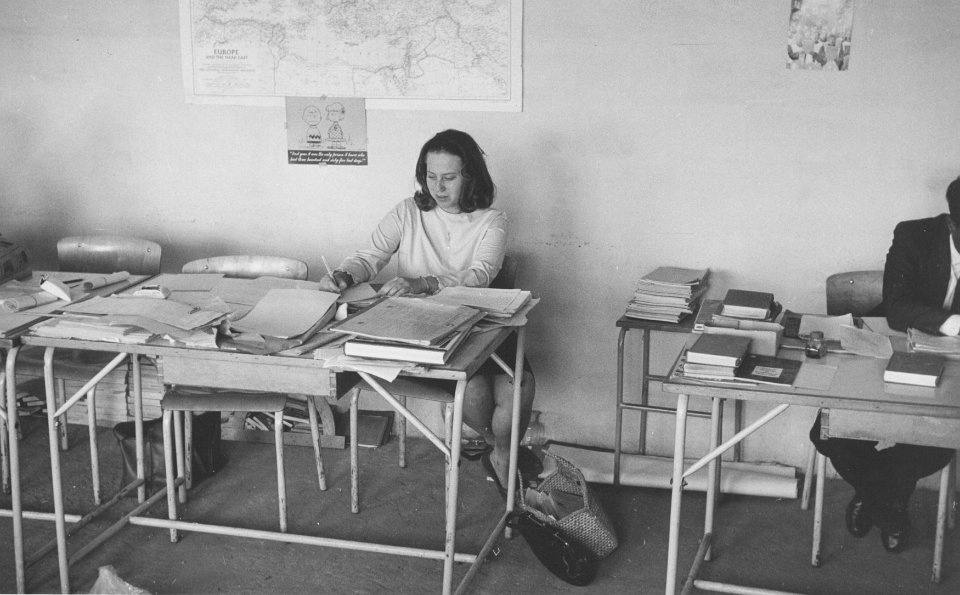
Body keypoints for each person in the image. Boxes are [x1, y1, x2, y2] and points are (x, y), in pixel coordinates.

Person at [318, 129, 538, 493]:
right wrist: (345, 274)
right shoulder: (407, 211)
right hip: (419, 327)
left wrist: (425, 282)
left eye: (449, 177)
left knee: (520, 386)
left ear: (470, 176)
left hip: (478, 320)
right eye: (431, 176)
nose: (438, 187)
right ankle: (502, 451)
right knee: (476, 392)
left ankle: (501, 452)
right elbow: (370, 257)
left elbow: (481, 275)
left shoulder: (492, 219)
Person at [809, 176, 960, 553]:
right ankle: (892, 507)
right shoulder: (915, 235)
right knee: (830, 432)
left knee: (940, 442)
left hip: (948, 372)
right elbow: (897, 307)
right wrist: (950, 323)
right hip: (887, 353)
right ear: (951, 223)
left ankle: (872, 495)